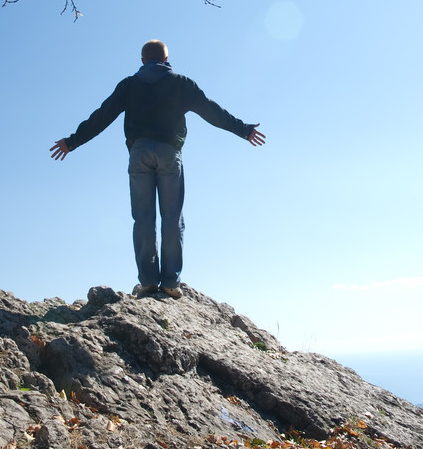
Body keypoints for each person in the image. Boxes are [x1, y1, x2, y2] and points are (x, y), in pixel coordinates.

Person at [50, 40, 265, 299]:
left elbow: (102, 116)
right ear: (166, 58)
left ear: (142, 60)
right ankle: (171, 282)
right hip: (169, 153)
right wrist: (244, 130)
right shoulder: (182, 84)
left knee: (143, 219)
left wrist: (72, 142)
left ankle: (149, 281)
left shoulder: (129, 85)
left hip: (139, 154)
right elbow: (212, 111)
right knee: (172, 218)